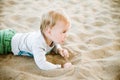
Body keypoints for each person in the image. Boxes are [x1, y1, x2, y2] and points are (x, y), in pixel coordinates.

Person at [0, 10, 72, 70]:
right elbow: (42, 64)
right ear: (49, 31)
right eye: (64, 32)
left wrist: (59, 50)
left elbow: (54, 44)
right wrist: (61, 66)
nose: (67, 35)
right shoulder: (38, 43)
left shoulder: (49, 36)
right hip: (5, 43)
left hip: (12, 36)